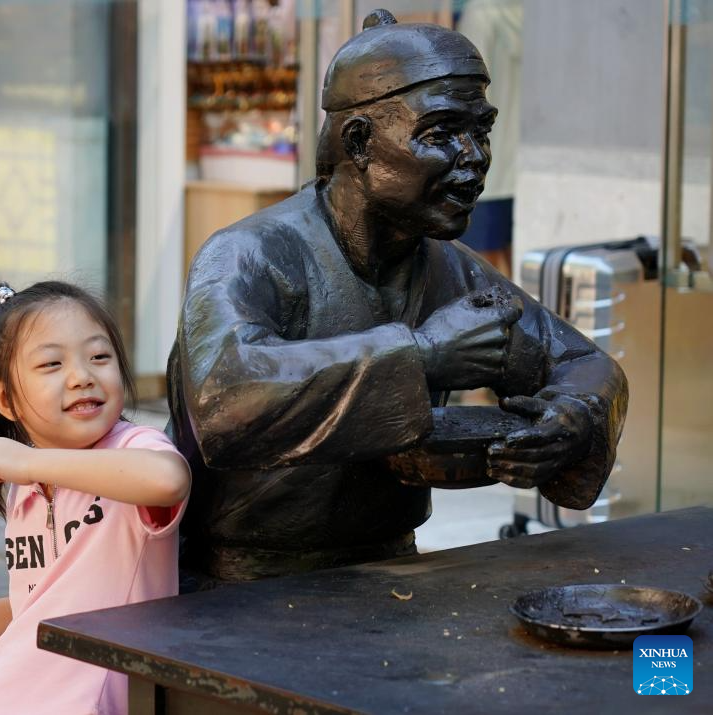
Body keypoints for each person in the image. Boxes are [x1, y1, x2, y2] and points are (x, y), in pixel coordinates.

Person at [167, 10, 628, 583]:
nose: (475, 156)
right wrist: (424, 355)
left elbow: (582, 362)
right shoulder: (249, 252)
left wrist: (573, 417)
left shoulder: (448, 267)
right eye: (441, 134)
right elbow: (225, 397)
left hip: (391, 569)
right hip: (238, 585)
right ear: (359, 143)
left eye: (481, 131)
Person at [0, 281, 191, 714]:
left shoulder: (132, 448)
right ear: (4, 398)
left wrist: (31, 463)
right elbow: (43, 608)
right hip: (10, 690)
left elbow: (167, 478)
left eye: (99, 357)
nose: (82, 376)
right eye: (52, 363)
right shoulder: (25, 486)